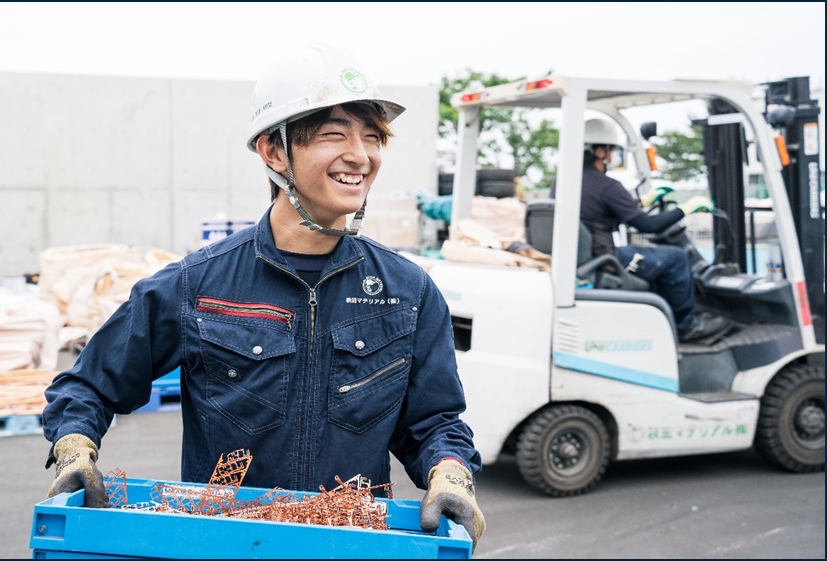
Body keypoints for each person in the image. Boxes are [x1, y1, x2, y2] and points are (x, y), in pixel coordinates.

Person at [42, 44, 485, 549]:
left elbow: (434, 421)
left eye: (372, 137)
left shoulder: (407, 293)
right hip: (225, 543)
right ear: (274, 152)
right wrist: (75, 449)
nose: (361, 156)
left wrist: (450, 473)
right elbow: (88, 387)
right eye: (334, 134)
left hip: (351, 544)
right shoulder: (198, 285)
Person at [552, 118, 732, 343]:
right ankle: (685, 326)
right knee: (675, 258)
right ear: (599, 151)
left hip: (582, 258)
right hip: (605, 258)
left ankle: (660, 319)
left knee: (655, 259)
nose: (612, 155)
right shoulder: (608, 186)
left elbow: (596, 212)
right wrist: (686, 209)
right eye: (611, 150)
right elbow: (649, 225)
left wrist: (640, 201)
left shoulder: (563, 182)